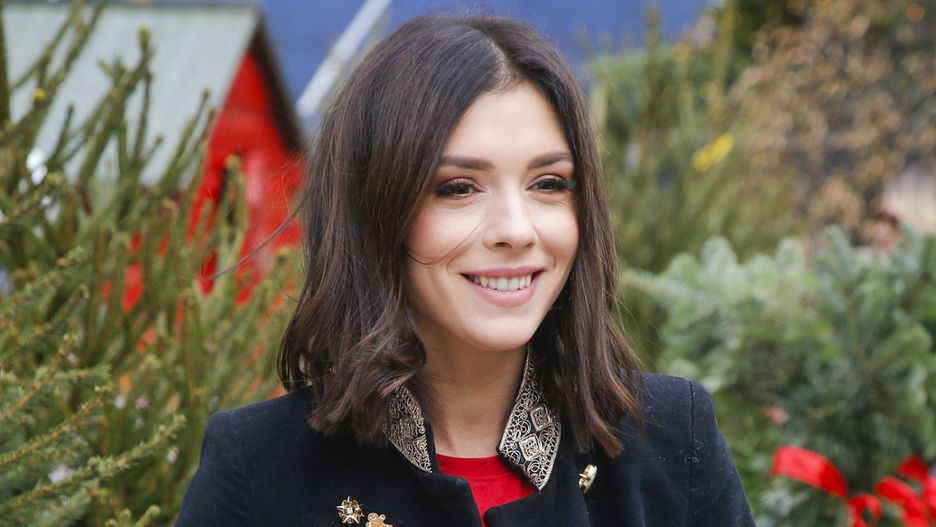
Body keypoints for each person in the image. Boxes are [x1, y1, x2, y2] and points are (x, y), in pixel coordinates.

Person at [177, 15, 755, 527]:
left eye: (548, 183)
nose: (517, 229)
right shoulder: (259, 469)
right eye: (458, 188)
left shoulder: (672, 441)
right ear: (374, 211)